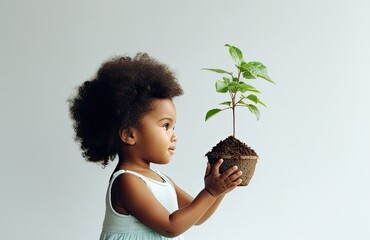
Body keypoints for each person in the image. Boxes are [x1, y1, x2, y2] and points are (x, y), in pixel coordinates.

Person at [69, 53, 242, 239]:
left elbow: (198, 216)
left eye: (174, 127)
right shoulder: (127, 181)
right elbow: (170, 227)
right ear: (129, 135)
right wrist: (210, 191)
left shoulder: (162, 179)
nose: (174, 135)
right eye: (165, 125)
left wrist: (219, 191)